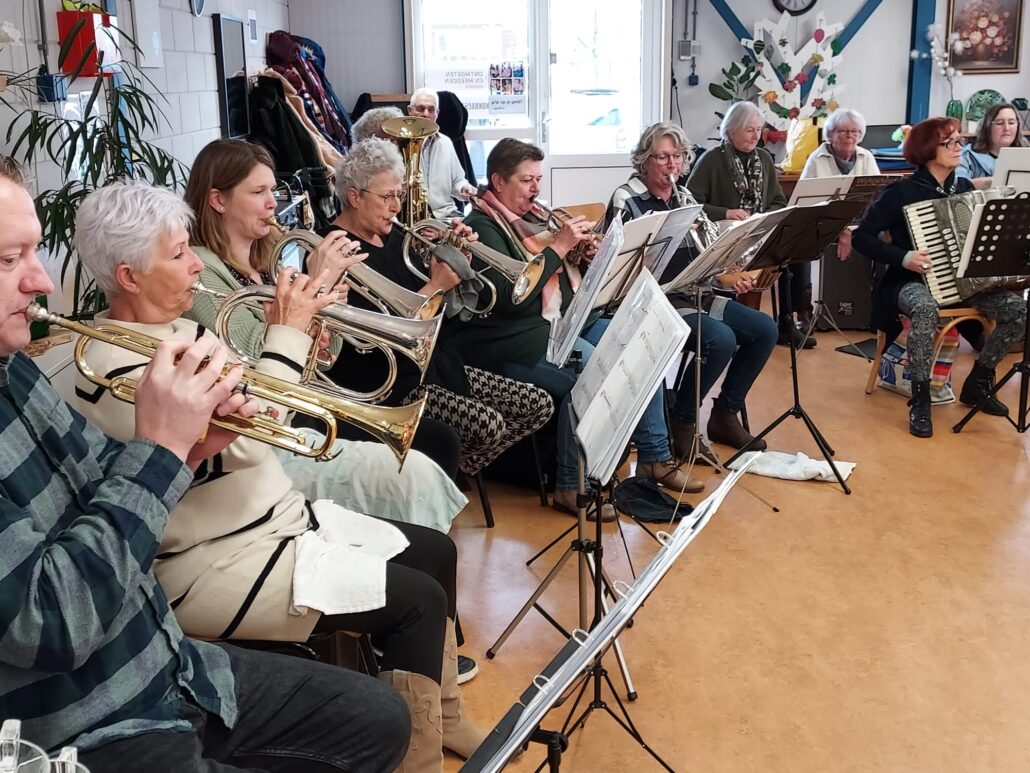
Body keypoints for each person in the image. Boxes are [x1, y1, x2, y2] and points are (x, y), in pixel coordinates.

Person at [0, 159, 410, 771]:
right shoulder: (88, 360)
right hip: (91, 723)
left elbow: (99, 477)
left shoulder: (13, 369)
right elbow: (55, 622)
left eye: (34, 253)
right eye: (10, 260)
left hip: (167, 659)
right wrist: (162, 447)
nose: (42, 283)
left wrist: (192, 445)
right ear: (129, 275)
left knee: (379, 718)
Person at [72, 178, 487, 769]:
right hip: (215, 560)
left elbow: (258, 397)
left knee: (435, 553)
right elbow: (263, 420)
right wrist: (286, 333)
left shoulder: (183, 328)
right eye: (178, 254)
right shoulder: (115, 361)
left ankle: (445, 718)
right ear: (128, 276)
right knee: (418, 599)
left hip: (277, 522)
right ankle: (416, 759)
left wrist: (299, 337)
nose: (196, 266)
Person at [182, 138, 467, 493]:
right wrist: (318, 285)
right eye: (258, 192)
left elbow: (325, 360)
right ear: (218, 199)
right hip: (270, 417)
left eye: (273, 190)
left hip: (305, 396)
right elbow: (251, 359)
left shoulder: (268, 263)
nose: (273, 203)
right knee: (437, 441)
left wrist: (326, 312)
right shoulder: (201, 269)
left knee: (438, 441)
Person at [457, 137, 700, 516]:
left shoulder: (534, 218)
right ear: (498, 181)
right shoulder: (482, 228)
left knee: (639, 347)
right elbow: (510, 297)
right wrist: (558, 247)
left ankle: (654, 456)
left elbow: (567, 281)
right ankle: (572, 485)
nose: (536, 189)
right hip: (514, 338)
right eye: (526, 180)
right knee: (592, 375)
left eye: (538, 179)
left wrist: (590, 255)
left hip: (566, 322)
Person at [325, 138, 554, 477]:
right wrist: (436, 286)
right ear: (355, 196)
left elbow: (446, 297)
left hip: (441, 363)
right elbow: (377, 336)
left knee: (539, 405)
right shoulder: (335, 251)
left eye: (399, 196)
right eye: (387, 197)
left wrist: (451, 253)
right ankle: (442, 472)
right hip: (395, 382)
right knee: (488, 426)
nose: (395, 207)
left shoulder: (392, 235)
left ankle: (451, 469)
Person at [605, 121, 776, 461]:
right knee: (720, 338)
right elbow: (620, 264)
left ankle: (725, 415)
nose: (672, 165)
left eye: (678, 157)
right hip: (654, 301)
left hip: (694, 293)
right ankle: (683, 421)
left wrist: (729, 276)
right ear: (644, 160)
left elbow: (707, 254)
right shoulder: (628, 197)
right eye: (663, 157)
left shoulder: (685, 197)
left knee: (765, 329)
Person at [853, 117, 1025, 438]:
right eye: (951, 143)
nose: (959, 148)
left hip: (960, 284)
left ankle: (978, 382)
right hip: (908, 281)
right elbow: (863, 237)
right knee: (925, 309)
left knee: (1017, 310)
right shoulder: (899, 192)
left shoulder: (961, 188)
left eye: (960, 141)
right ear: (929, 149)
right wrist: (904, 256)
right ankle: (920, 399)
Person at [687, 101, 816, 349]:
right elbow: (691, 205)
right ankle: (742, 323)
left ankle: (788, 322)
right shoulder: (711, 160)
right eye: (749, 129)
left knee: (797, 250)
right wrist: (726, 211)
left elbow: (779, 201)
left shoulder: (765, 159)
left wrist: (765, 217)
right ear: (731, 130)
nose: (756, 135)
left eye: (758, 129)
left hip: (759, 231)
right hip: (725, 237)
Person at [799, 107, 881, 261]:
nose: (850, 136)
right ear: (830, 134)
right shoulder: (816, 159)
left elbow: (877, 199)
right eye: (843, 131)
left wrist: (850, 230)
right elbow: (806, 206)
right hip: (823, 229)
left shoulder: (866, 157)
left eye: (855, 131)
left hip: (861, 226)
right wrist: (842, 231)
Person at [407, 88, 478, 219]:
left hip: (446, 216)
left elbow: (457, 181)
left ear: (437, 114)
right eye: (420, 109)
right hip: (413, 217)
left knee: (476, 236)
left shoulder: (445, 143)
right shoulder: (400, 144)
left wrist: (464, 189)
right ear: (410, 111)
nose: (426, 114)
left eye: (431, 109)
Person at [957, 102, 1028, 189]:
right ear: (987, 126)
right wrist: (998, 181)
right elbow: (958, 186)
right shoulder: (967, 155)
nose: (1006, 128)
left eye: (1011, 122)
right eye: (999, 123)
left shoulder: (1026, 154)